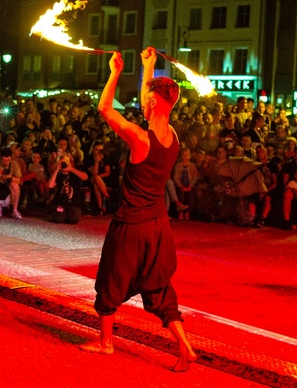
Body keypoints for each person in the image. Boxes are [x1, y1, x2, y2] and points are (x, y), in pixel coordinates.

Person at [80, 48, 196, 372]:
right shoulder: (172, 137)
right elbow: (153, 97)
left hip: (131, 225)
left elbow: (104, 108)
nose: (142, 103)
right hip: (159, 227)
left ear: (154, 103)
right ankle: (185, 347)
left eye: (146, 99)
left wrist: (115, 72)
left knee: (109, 282)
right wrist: (149, 67)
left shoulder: (139, 138)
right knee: (159, 290)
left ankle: (105, 343)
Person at [47, 154, 87, 224]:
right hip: (60, 203)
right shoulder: (57, 175)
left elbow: (85, 177)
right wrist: (56, 170)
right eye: (61, 163)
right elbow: (50, 185)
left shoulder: (74, 173)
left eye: (65, 162)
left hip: (74, 204)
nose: (63, 164)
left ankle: (67, 214)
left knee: (72, 220)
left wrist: (71, 169)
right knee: (58, 220)